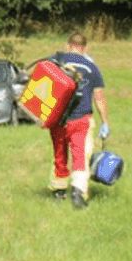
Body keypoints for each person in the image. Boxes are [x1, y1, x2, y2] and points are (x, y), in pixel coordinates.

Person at [46, 31, 110, 209]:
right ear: (85, 47)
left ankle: (59, 191)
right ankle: (78, 194)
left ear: (68, 45)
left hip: (57, 119)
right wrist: (105, 122)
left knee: (59, 153)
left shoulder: (55, 61)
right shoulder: (91, 67)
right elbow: (99, 98)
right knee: (80, 156)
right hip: (80, 119)